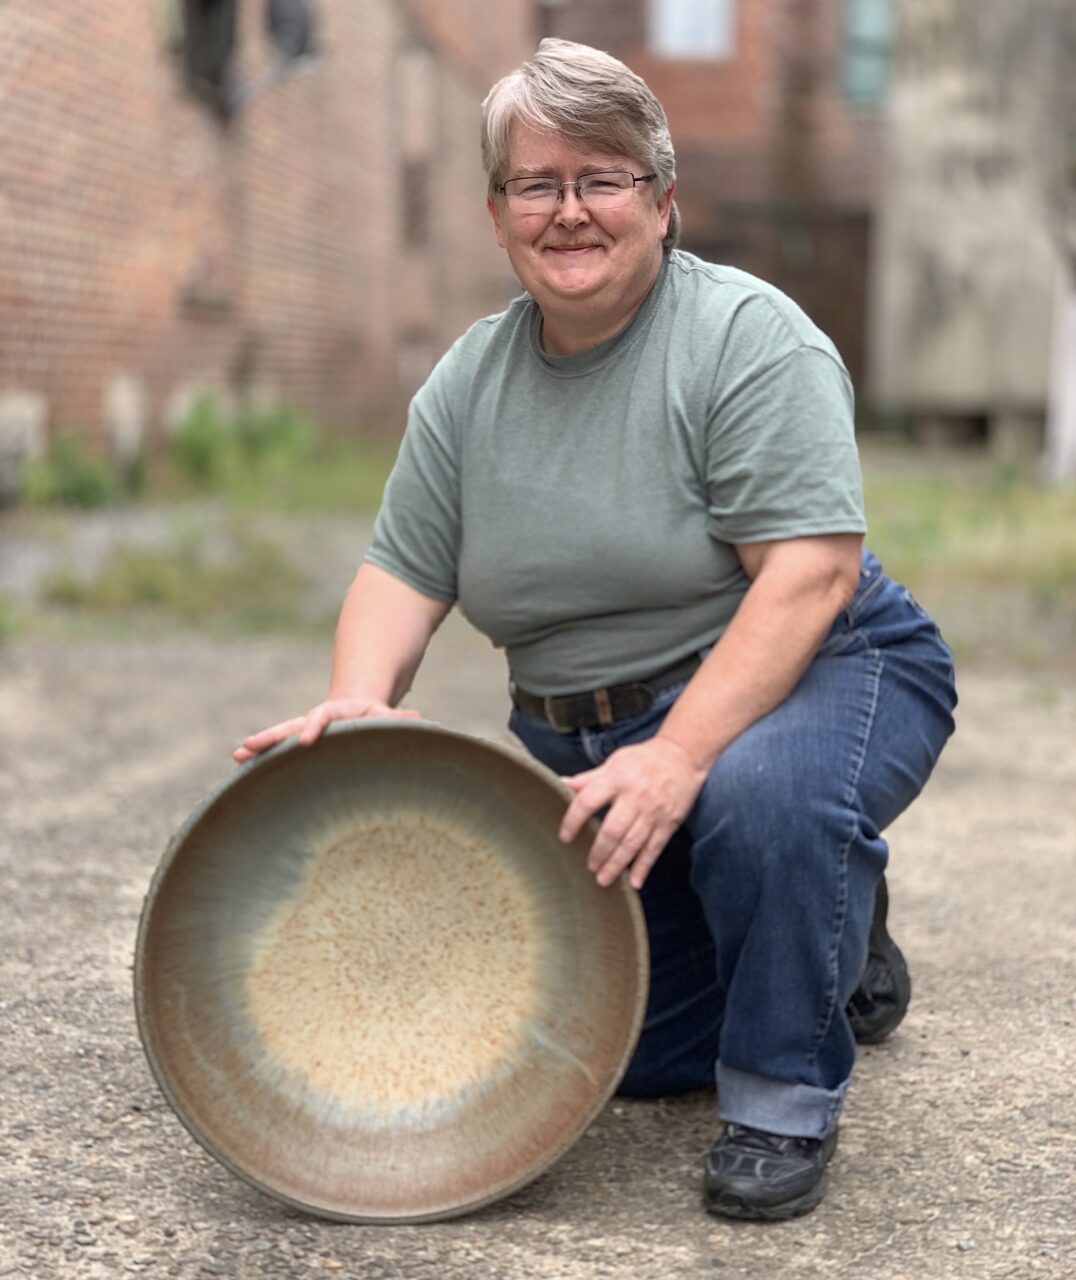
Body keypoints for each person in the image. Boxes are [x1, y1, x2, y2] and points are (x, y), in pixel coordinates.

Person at [236, 38, 957, 1221]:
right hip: (584, 751)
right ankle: (830, 927)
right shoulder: (468, 384)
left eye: (603, 178)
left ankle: (780, 1093)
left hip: (814, 674)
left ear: (661, 200)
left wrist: (678, 756)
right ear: (496, 211)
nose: (568, 210)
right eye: (536, 183)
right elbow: (398, 571)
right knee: (616, 1051)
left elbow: (807, 577)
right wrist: (361, 703)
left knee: (761, 801)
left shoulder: (743, 337)